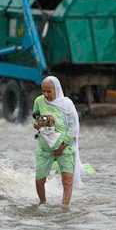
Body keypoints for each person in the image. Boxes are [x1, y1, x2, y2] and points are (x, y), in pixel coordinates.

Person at [32, 76, 84, 209]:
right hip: (45, 147)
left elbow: (73, 127)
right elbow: (36, 118)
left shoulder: (66, 104)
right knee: (39, 180)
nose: (45, 94)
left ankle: (64, 207)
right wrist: (37, 124)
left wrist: (63, 146)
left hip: (64, 147)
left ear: (57, 89)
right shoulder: (39, 101)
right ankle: (42, 204)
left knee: (67, 180)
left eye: (49, 91)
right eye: (43, 91)